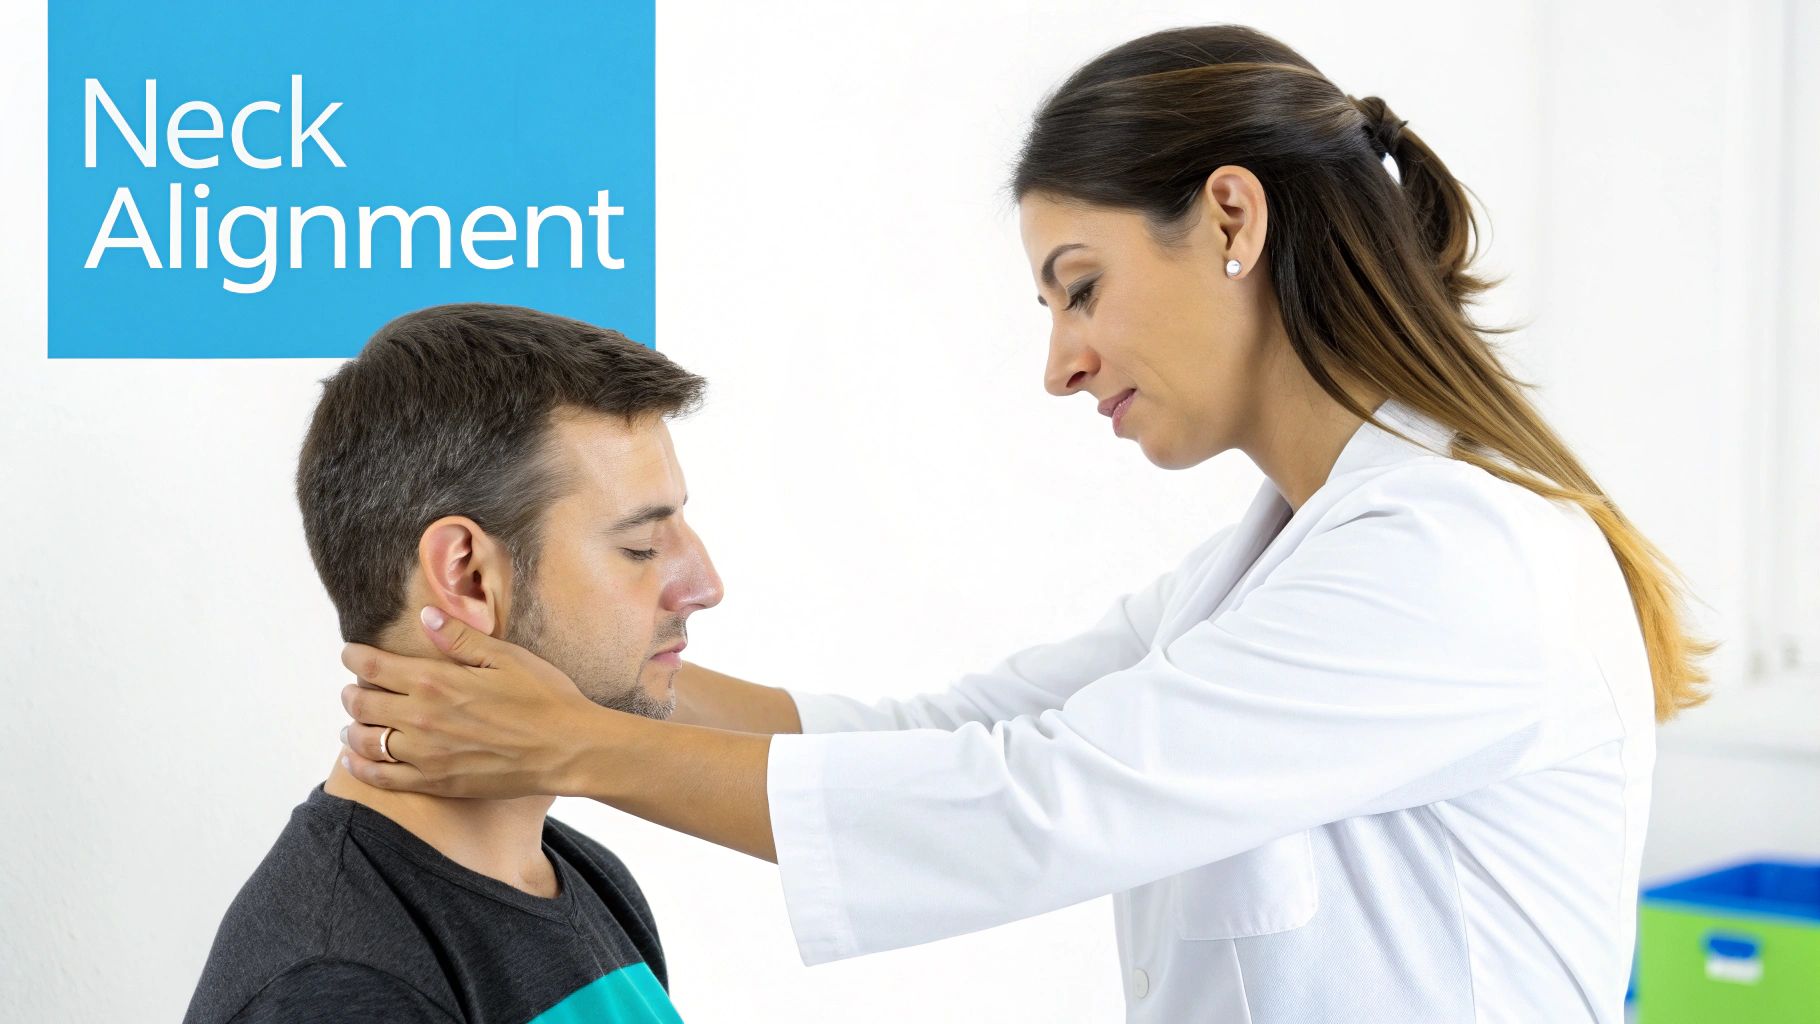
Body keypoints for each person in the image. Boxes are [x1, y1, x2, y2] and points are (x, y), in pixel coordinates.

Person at [332, 25, 1713, 1023]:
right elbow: (956, 737)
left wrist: (579, 741)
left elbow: (1038, 805)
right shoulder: (1277, 565)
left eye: (1080, 286)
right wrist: (609, 693)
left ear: (1231, 216)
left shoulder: (1451, 561)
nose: (1059, 360)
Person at [185, 304, 719, 1024]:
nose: (704, 585)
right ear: (466, 575)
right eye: (640, 547)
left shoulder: (585, 878)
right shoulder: (342, 980)